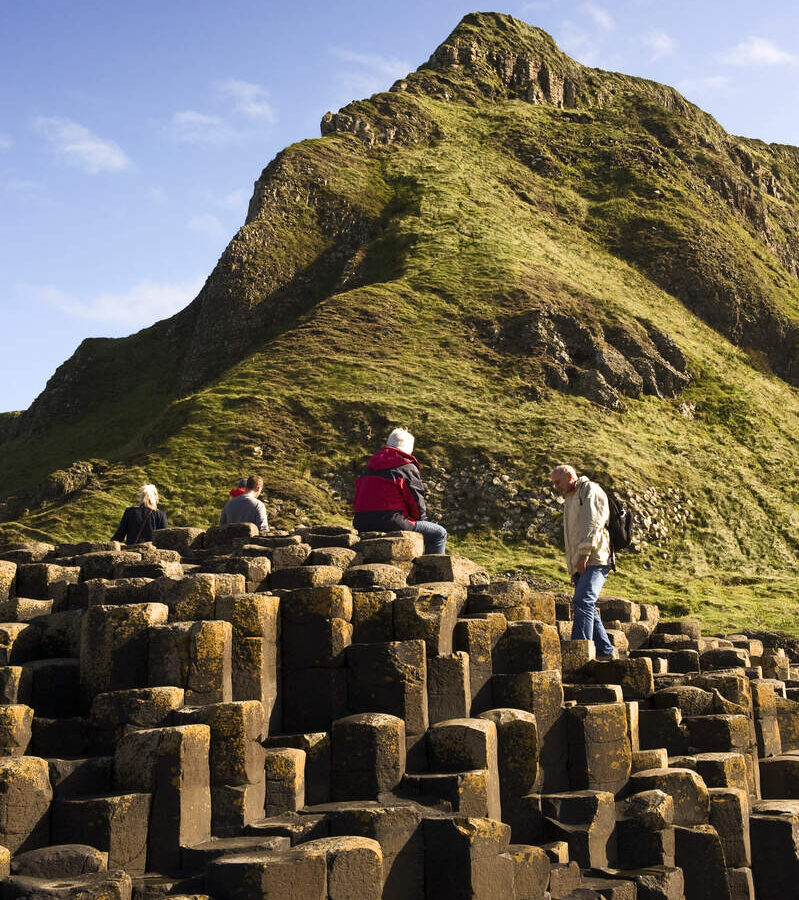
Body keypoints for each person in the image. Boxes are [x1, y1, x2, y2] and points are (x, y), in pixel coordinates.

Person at [550, 464, 616, 659]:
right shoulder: (570, 499)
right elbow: (572, 537)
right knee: (585, 604)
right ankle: (605, 651)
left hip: (595, 557)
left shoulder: (589, 490)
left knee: (583, 600)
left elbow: (593, 524)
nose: (556, 487)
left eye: (557, 482)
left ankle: (579, 652)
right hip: (582, 560)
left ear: (570, 475)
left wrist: (584, 555)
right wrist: (573, 568)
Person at [353, 427, 447, 554]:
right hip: (391, 522)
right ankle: (432, 571)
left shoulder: (370, 465)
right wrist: (420, 521)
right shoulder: (405, 466)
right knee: (439, 534)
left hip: (361, 522)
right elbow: (415, 499)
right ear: (409, 448)